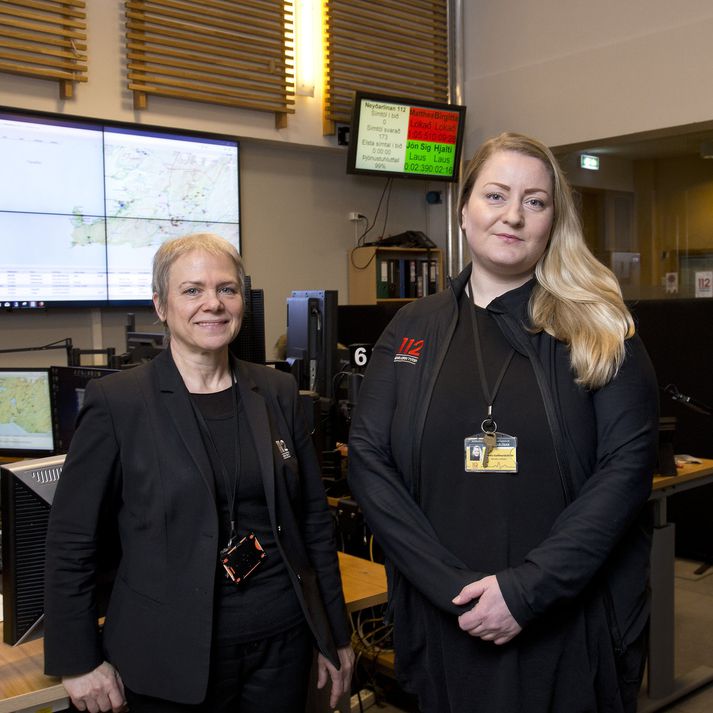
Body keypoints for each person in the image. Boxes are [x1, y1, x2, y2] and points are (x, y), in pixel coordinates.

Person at [347, 132, 658, 713]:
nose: (513, 215)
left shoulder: (601, 328)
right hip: (444, 618)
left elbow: (626, 472)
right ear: (464, 211)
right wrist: (450, 588)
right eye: (495, 195)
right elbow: (367, 458)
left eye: (534, 202)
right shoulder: (413, 326)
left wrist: (526, 591)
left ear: (552, 222)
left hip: (564, 622)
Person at [44, 233, 354, 712]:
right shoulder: (119, 402)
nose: (213, 303)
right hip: (167, 656)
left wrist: (335, 633)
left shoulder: (277, 391)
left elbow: (313, 521)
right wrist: (77, 659)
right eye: (192, 290)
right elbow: (71, 539)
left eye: (227, 289)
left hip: (282, 644)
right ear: (160, 305)